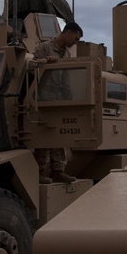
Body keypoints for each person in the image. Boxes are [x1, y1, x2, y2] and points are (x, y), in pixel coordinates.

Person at [32, 22, 83, 184]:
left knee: (60, 136)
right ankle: (38, 172)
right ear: (67, 32)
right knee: (44, 137)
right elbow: (31, 67)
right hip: (43, 99)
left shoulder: (67, 54)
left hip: (59, 100)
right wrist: (45, 62)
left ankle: (58, 170)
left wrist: (70, 102)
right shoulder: (45, 48)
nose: (76, 42)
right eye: (75, 38)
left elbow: (66, 79)